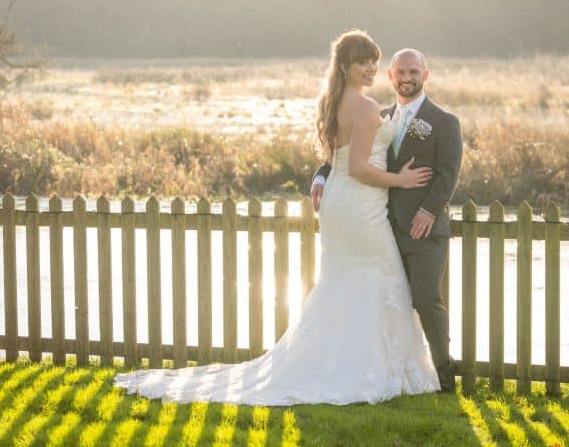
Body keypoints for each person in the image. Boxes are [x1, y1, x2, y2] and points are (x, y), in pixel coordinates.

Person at [114, 29, 441, 405]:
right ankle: (370, 369)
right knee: (381, 277)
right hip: (359, 204)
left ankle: (346, 362)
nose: (370, 69)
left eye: (373, 61)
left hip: (342, 204)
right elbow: (356, 167)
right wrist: (400, 179)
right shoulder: (366, 107)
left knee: (345, 281)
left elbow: (336, 162)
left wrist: (324, 176)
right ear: (346, 66)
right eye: (361, 62)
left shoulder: (333, 100)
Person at [312, 46, 463, 392]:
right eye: (401, 72)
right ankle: (378, 367)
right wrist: (321, 176)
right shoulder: (377, 113)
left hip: (423, 229)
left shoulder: (444, 122)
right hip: (380, 224)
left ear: (425, 76)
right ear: (391, 76)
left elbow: (447, 174)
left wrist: (428, 211)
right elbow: (347, 153)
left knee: (425, 299)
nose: (407, 78)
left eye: (414, 72)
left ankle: (443, 373)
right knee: (379, 298)